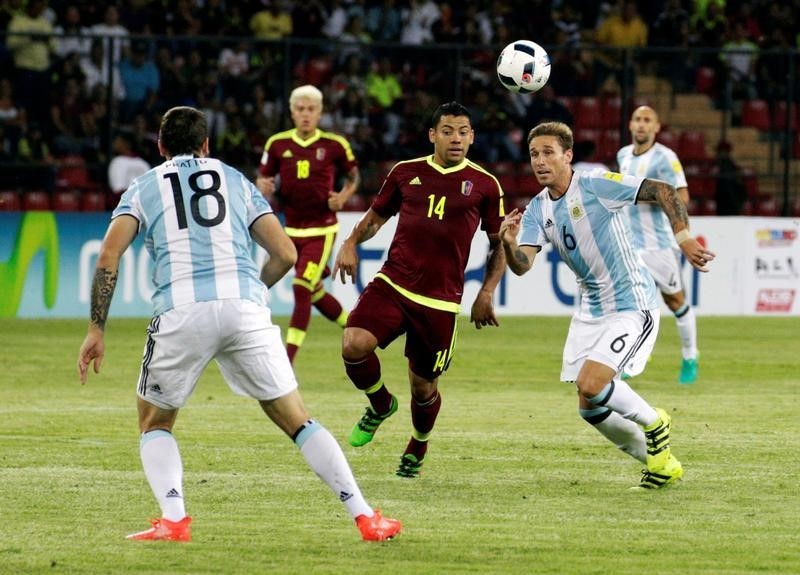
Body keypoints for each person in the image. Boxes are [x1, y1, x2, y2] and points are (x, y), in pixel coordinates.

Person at [77, 106, 401, 543]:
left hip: (182, 309)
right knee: (298, 419)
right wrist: (249, 290)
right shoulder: (234, 179)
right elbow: (286, 254)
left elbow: (108, 256)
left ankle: (174, 520)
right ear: (207, 144)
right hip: (244, 307)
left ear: (160, 147)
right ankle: (365, 517)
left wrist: (96, 330)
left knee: (155, 422)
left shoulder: (143, 186)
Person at [499, 121, 715, 489]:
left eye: (549, 153)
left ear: (568, 156)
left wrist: (683, 239)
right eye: (534, 154)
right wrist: (507, 243)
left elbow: (664, 191)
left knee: (593, 383)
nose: (540, 161)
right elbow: (522, 265)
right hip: (590, 311)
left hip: (632, 302)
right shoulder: (537, 210)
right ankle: (662, 465)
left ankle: (654, 421)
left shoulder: (595, 185)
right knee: (590, 406)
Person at [332, 101, 506, 478]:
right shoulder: (405, 172)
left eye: (463, 131)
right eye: (447, 131)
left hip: (440, 301)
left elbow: (499, 245)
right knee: (353, 343)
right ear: (433, 135)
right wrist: (349, 243)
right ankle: (380, 405)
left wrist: (487, 292)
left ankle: (418, 443)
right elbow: (376, 217)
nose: (456, 138)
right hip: (394, 282)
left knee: (423, 388)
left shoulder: (486, 185)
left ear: (472, 137)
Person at [256, 84, 359, 365]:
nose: (305, 114)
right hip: (289, 231)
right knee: (314, 291)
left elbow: (353, 177)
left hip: (321, 229)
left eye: (311, 109)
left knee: (302, 286)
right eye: (300, 109)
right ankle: (358, 328)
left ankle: (286, 362)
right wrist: (262, 184)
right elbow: (263, 177)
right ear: (292, 112)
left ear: (320, 112)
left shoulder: (334, 145)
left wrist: (344, 196)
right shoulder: (277, 144)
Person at [617, 106, 700, 384]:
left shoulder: (666, 158)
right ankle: (636, 355)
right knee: (630, 303)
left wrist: (646, 196)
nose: (641, 125)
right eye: (637, 119)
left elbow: (683, 198)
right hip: (629, 243)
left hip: (659, 244)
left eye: (647, 121)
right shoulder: (623, 156)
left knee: (675, 301)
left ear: (656, 127)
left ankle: (690, 356)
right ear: (630, 124)